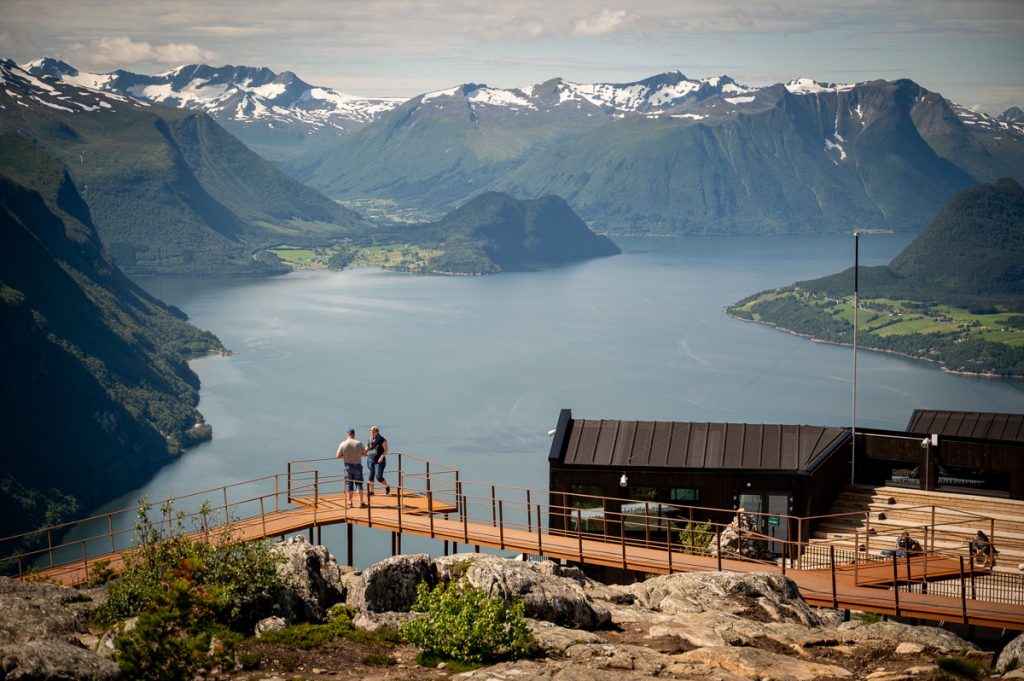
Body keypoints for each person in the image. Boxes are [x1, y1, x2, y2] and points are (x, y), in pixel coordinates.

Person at [335, 427, 367, 508]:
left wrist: (344, 455)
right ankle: (361, 502)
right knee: (359, 484)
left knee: (349, 484)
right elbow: (364, 453)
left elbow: (337, 456)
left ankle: (350, 502)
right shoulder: (359, 443)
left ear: (347, 435)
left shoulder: (343, 444)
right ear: (354, 435)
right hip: (357, 465)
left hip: (348, 466)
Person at [366, 425, 391, 496]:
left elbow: (386, 450)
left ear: (377, 432)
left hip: (379, 461)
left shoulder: (382, 440)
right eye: (371, 431)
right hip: (371, 459)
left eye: (374, 432)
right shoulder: (370, 439)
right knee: (371, 475)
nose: (372, 433)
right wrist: (362, 452)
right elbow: (367, 447)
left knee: (378, 477)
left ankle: (386, 485)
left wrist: (382, 457)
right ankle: (372, 491)